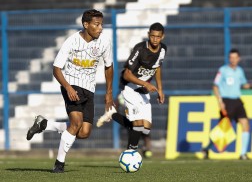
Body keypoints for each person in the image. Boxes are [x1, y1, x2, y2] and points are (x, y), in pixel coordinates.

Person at [26, 9, 114, 173]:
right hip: (72, 85)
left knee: (84, 132)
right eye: (97, 24)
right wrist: (68, 87)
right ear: (86, 25)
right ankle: (59, 164)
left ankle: (44, 124)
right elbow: (56, 69)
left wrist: (109, 93)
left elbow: (109, 67)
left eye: (101, 24)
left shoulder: (105, 42)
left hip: (89, 88)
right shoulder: (72, 41)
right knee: (76, 123)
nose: (100, 28)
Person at [96, 22, 166, 152]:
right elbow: (127, 74)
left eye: (158, 37)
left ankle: (113, 114)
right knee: (137, 126)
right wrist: (145, 83)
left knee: (145, 128)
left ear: (162, 37)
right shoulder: (140, 49)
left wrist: (160, 89)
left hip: (143, 91)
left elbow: (157, 67)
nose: (155, 39)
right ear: (148, 35)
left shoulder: (163, 50)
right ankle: (130, 154)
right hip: (130, 87)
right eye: (152, 36)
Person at [202, 48, 252, 160]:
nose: (233, 60)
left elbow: (243, 84)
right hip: (226, 101)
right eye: (231, 57)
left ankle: (243, 154)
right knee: (223, 130)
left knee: (245, 124)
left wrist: (250, 86)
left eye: (235, 57)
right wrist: (220, 102)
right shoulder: (223, 70)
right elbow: (215, 86)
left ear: (239, 59)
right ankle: (207, 148)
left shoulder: (240, 71)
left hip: (237, 101)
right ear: (229, 58)